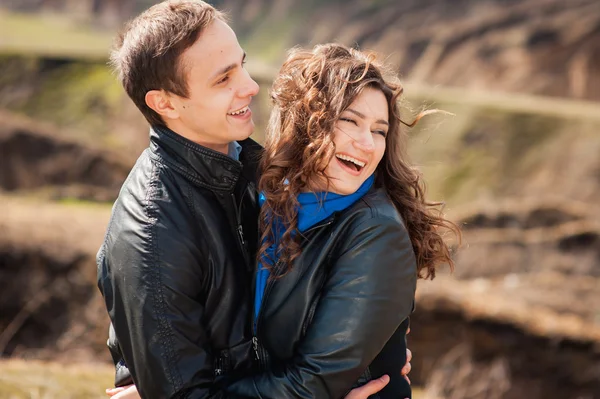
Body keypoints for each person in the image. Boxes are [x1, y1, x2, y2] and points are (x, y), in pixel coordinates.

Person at [97, 1, 408, 398]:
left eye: (241, 65)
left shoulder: (256, 172)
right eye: (223, 79)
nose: (250, 86)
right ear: (165, 103)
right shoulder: (153, 231)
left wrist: (368, 350)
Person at [219, 44, 459, 398]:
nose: (367, 144)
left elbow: (311, 384)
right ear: (306, 122)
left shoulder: (377, 233)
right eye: (349, 121)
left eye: (379, 130)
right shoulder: (264, 199)